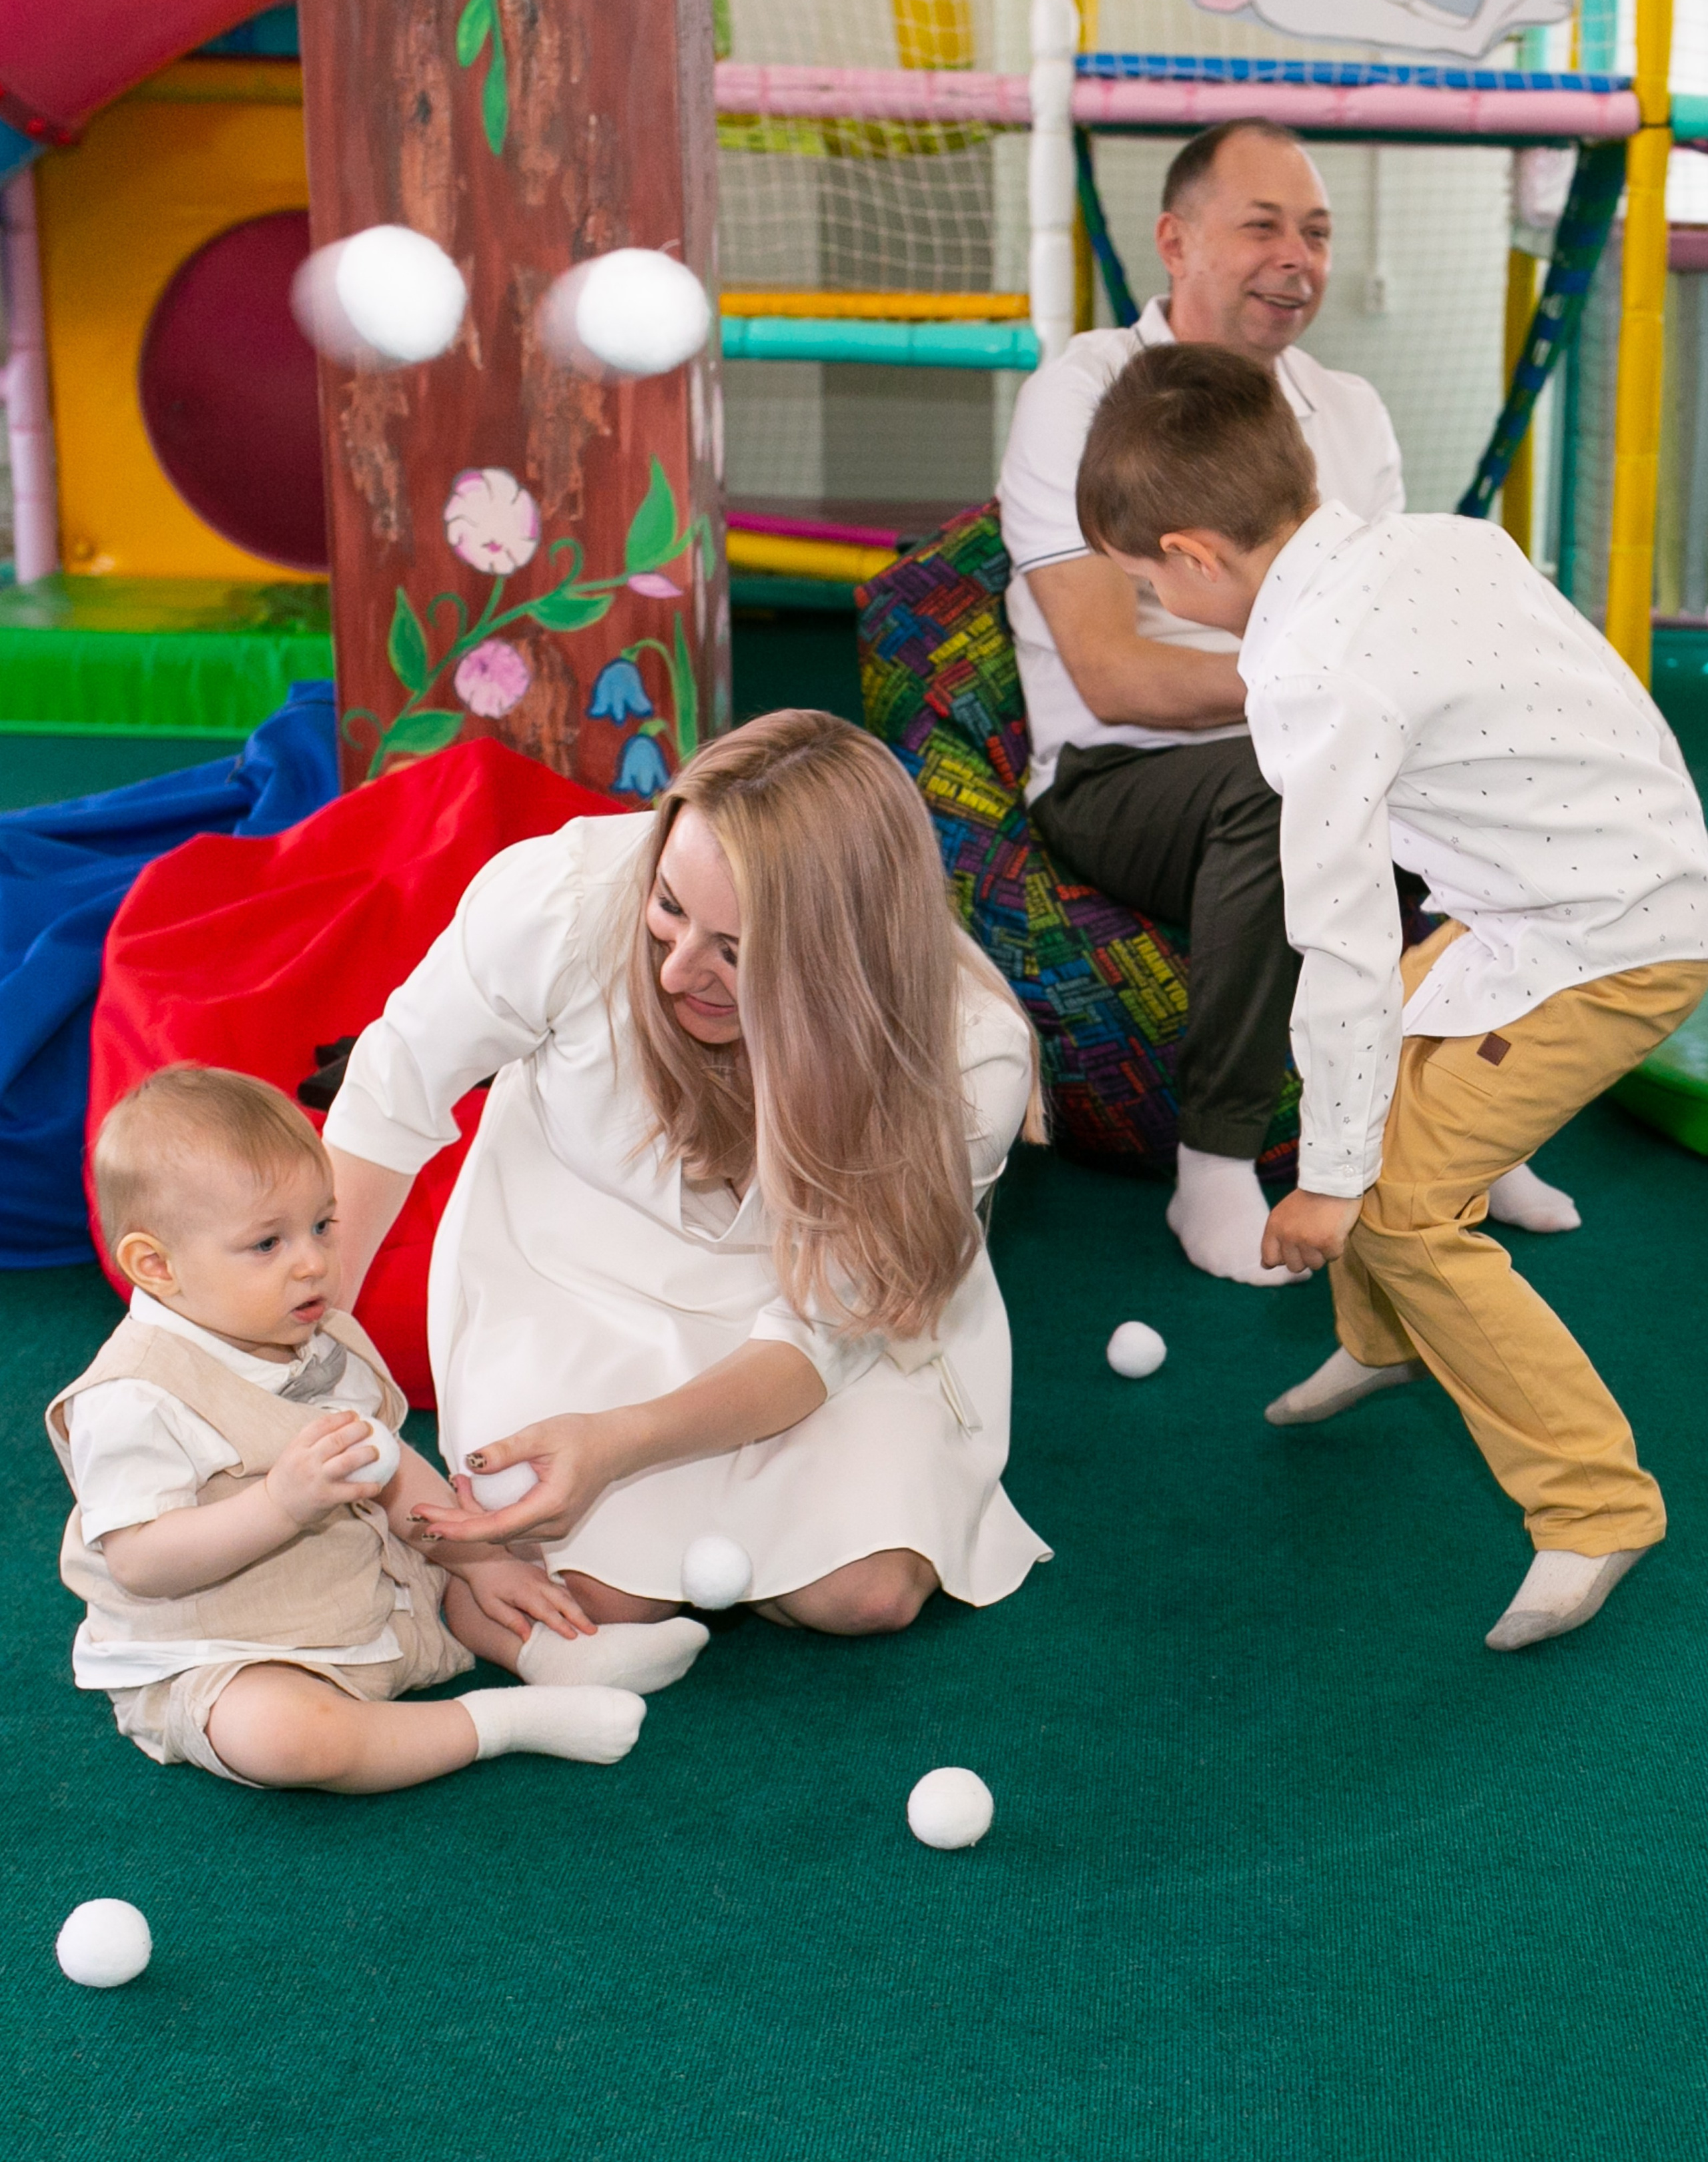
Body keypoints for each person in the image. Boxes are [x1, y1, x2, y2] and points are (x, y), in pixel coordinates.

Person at [1076, 342, 1708, 1650]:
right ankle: (1384, 1337)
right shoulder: (1442, 538)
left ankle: (1593, 1504)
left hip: (1606, 933)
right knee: (1362, 1088)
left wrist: (1328, 1183)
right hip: (1590, 876)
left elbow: (1343, 942)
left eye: (1143, 582)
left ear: (1195, 555)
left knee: (1402, 1196)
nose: (1146, 601)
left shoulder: (1308, 670)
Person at [996, 115, 1575, 1285]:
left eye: (1315, 231)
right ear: (1175, 240)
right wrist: (1345, 708)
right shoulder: (1087, 391)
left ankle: (1464, 1116)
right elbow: (1115, 672)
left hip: (1316, 738)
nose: (1296, 258)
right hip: (1121, 770)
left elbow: (1391, 625)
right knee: (1297, 780)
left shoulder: (1349, 410)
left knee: (1496, 771)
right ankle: (1214, 1164)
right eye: (1261, 225)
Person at [323, 711, 1052, 1636]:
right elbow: (390, 1099)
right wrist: (302, 1354)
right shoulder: (567, 895)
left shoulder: (968, 1059)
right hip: (574, 1270)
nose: (676, 970)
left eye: (738, 954)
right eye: (669, 905)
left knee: (863, 1593)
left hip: (812, 1323)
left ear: (842, 962)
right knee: (599, 1599)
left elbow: (818, 1335)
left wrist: (622, 1442)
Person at [49, 1066, 681, 1794]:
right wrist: (278, 1506)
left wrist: (483, 1561)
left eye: (321, 1225)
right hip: (220, 1645)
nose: (314, 1262)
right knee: (288, 1738)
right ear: (155, 1265)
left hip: (355, 1589)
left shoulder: (315, 1333)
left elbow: (388, 1463)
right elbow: (141, 1562)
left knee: (472, 1559)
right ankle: (504, 1723)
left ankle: (558, 1656)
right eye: (267, 1245)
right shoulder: (135, 1395)